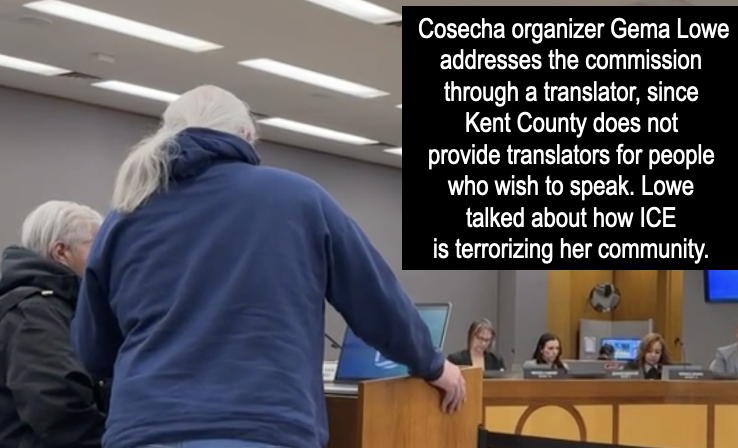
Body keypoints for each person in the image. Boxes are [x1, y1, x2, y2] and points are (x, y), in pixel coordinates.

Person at [71, 85, 466, 448]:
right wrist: (431, 364)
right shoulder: (299, 197)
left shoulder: (125, 214)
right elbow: (374, 297)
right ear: (246, 136)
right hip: (264, 425)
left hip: (143, 428)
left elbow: (93, 351)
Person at [0, 200, 105, 448]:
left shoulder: (50, 309)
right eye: (97, 246)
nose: (105, 259)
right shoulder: (34, 312)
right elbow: (55, 403)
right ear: (61, 252)